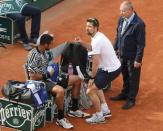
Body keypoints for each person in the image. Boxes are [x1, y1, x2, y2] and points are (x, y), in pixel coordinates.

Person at [25, 33, 89, 129]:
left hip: (51, 78)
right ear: (45, 44)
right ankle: (60, 118)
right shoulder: (33, 55)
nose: (51, 46)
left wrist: (54, 70)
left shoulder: (46, 52)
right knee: (60, 91)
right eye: (50, 44)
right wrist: (45, 75)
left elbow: (50, 65)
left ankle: (74, 110)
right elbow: (32, 75)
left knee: (78, 79)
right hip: (40, 82)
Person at [75, 18, 121, 124]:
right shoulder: (97, 37)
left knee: (90, 90)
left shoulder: (97, 40)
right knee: (96, 86)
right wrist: (81, 42)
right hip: (110, 67)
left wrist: (92, 77)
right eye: (87, 26)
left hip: (110, 70)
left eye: (90, 26)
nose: (87, 28)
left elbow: (95, 62)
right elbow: (92, 47)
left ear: (95, 28)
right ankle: (105, 110)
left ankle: (100, 117)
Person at [110, 1, 146, 109]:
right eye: (120, 10)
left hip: (132, 57)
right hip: (122, 55)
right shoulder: (121, 19)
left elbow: (141, 44)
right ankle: (125, 94)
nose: (121, 13)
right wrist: (114, 49)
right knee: (125, 75)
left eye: (123, 11)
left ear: (131, 10)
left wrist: (138, 60)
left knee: (133, 78)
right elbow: (118, 35)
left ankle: (131, 99)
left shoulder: (139, 24)